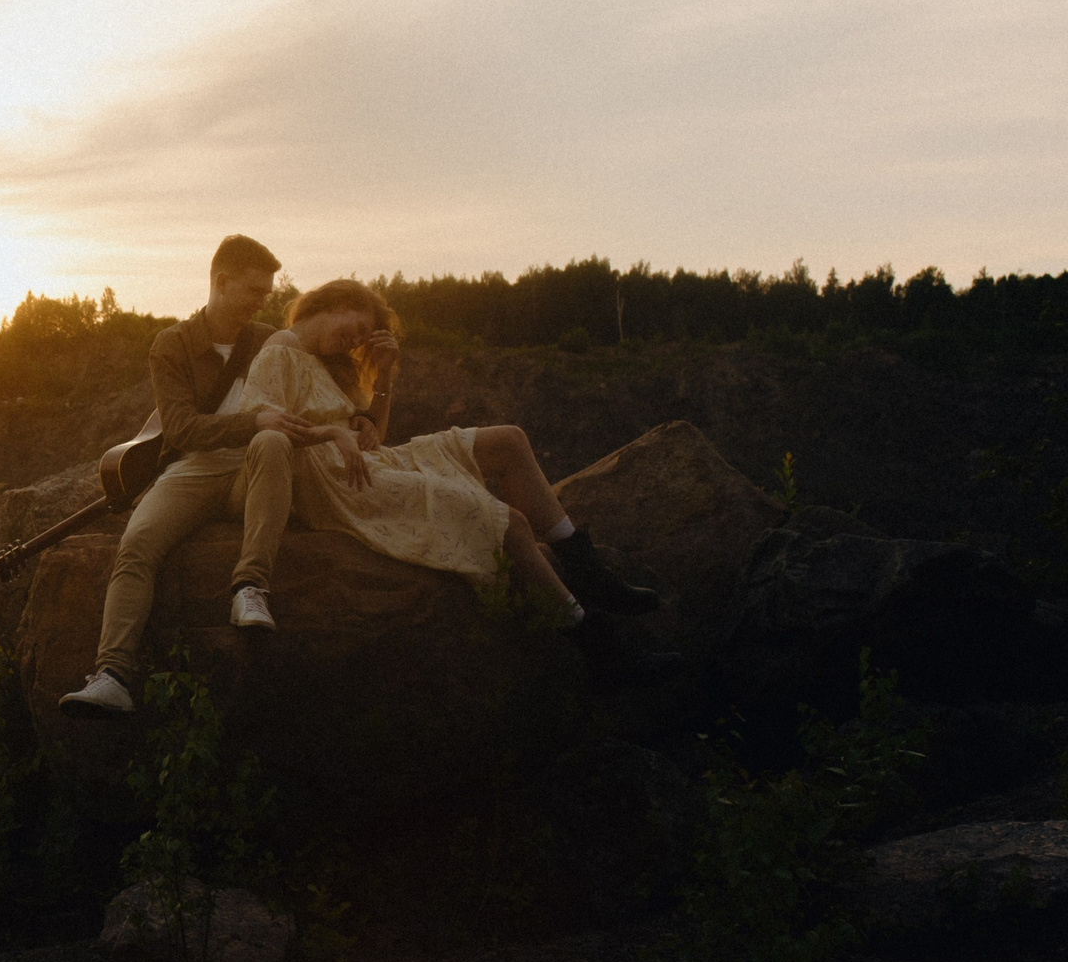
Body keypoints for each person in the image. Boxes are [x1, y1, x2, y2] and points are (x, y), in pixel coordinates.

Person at [238, 277, 670, 677]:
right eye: (356, 327)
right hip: (341, 485)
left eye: (362, 337)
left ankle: (588, 571)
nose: (355, 341)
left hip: (372, 463)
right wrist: (332, 432)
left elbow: (378, 435)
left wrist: (383, 376)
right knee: (509, 525)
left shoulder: (328, 363)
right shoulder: (281, 347)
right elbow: (262, 429)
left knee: (509, 440)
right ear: (336, 302)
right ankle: (599, 647)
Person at [61, 233, 315, 715]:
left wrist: (380, 376)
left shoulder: (269, 341)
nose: (265, 301)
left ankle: (250, 589)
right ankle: (112, 675)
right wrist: (252, 420)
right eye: (255, 291)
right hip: (192, 469)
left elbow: (317, 394)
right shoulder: (172, 345)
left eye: (267, 292)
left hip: (254, 467)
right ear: (221, 282)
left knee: (273, 441)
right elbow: (181, 429)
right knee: (136, 546)